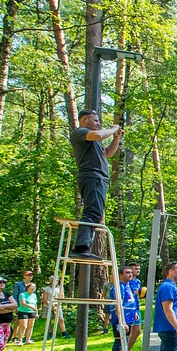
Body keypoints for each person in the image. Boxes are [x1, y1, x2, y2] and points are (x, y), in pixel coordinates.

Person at [69, 108, 122, 260]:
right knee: (92, 212)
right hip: (92, 176)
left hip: (99, 178)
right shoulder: (80, 132)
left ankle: (84, 247)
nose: (98, 124)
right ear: (84, 119)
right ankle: (81, 248)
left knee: (96, 213)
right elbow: (98, 134)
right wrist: (113, 129)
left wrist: (116, 138)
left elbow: (107, 154)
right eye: (96, 120)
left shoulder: (94, 143)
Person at [107, 268, 140, 351]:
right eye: (127, 273)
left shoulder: (128, 286)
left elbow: (130, 301)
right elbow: (118, 305)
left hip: (130, 318)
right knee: (119, 341)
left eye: (131, 272)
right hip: (121, 319)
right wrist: (123, 321)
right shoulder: (118, 287)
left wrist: (134, 312)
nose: (130, 274)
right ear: (121, 275)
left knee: (124, 341)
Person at [11, 270, 33, 343]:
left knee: (28, 323)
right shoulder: (19, 284)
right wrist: (15, 305)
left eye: (31, 275)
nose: (30, 277)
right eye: (28, 275)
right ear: (24, 276)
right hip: (20, 305)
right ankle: (14, 337)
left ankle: (26, 338)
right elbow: (15, 295)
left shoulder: (32, 285)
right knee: (17, 321)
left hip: (29, 306)